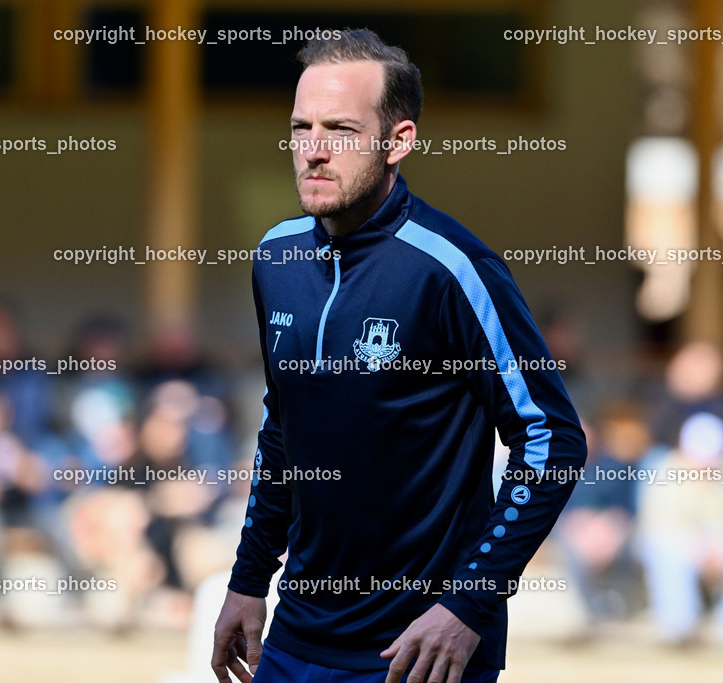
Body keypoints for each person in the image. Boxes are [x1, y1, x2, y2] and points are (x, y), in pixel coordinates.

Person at [211, 29, 587, 683]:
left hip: (419, 653)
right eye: (301, 127)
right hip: (295, 639)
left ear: (399, 140)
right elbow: (283, 434)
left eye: (341, 129)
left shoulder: (452, 268)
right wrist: (248, 580)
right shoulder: (276, 257)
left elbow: (551, 438)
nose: (314, 150)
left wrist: (468, 605)